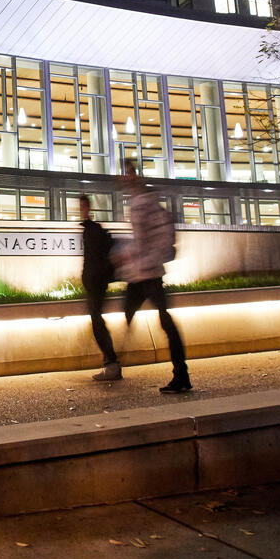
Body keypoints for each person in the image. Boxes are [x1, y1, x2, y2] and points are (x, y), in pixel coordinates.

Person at [105, 158, 192, 392]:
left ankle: (116, 361)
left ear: (134, 176)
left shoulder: (142, 204)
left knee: (157, 318)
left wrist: (124, 255)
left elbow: (144, 240)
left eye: (127, 173)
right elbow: (158, 236)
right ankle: (178, 373)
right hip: (145, 274)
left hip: (147, 275)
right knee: (152, 317)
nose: (123, 178)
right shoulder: (143, 202)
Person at [78, 194, 120, 377]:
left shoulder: (93, 230)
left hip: (96, 282)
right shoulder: (89, 229)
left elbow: (95, 259)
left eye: (83, 206)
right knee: (97, 320)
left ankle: (111, 362)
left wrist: (90, 278)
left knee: (97, 321)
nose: (81, 210)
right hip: (95, 282)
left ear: (88, 207)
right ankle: (111, 362)